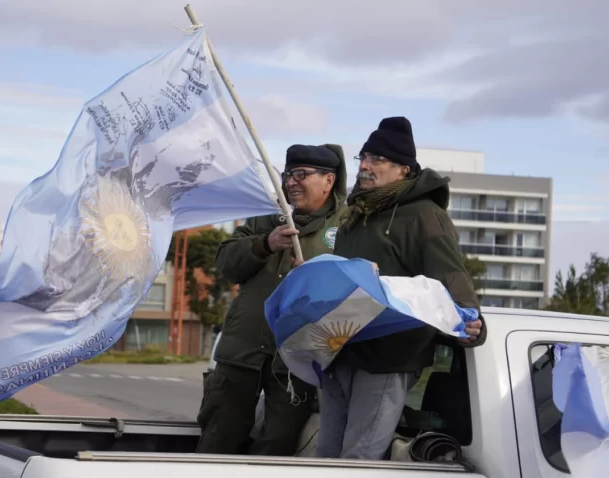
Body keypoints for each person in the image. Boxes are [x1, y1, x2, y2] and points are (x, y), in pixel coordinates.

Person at [317, 116, 487, 460]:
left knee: (359, 461)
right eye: (363, 157)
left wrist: (470, 322)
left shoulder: (425, 215)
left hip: (390, 357)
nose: (365, 166)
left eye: (376, 159)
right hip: (343, 350)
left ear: (404, 170)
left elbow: (449, 274)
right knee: (328, 458)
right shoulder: (356, 215)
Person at [196, 143, 348, 456]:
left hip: (296, 364)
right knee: (217, 442)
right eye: (288, 174)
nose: (291, 182)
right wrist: (264, 244)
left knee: (276, 450)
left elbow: (358, 292)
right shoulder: (266, 218)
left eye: (301, 175)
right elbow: (225, 264)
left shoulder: (347, 228)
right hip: (242, 353)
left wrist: (320, 280)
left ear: (328, 181)